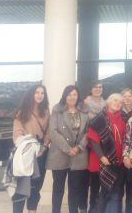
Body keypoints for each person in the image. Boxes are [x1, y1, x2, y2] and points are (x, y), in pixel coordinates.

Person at [47, 85, 90, 213]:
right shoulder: (57, 110)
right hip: (59, 154)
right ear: (65, 96)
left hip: (78, 155)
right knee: (58, 188)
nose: (72, 97)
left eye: (75, 94)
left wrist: (79, 147)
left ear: (78, 96)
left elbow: (88, 132)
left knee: (75, 189)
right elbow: (53, 132)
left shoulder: (84, 111)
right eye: (69, 94)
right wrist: (67, 149)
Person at [13, 84, 51, 213]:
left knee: (36, 187)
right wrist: (27, 147)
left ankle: (32, 210)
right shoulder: (22, 112)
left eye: (42, 93)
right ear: (31, 94)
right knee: (22, 187)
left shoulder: (46, 111)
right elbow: (17, 132)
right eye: (37, 92)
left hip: (42, 153)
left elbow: (49, 132)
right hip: (26, 153)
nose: (40, 95)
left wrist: (44, 146)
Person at [88, 93, 127, 213]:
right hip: (104, 160)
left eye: (120, 102)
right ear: (108, 102)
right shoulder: (100, 118)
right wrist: (102, 156)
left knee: (118, 190)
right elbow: (93, 139)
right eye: (115, 101)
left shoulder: (124, 117)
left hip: (120, 160)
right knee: (104, 190)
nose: (117, 104)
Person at [121, 88, 132, 213]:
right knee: (120, 180)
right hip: (118, 149)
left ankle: (128, 205)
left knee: (131, 179)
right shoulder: (117, 111)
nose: (127, 98)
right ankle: (118, 203)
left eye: (129, 96)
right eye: (125, 96)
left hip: (131, 150)